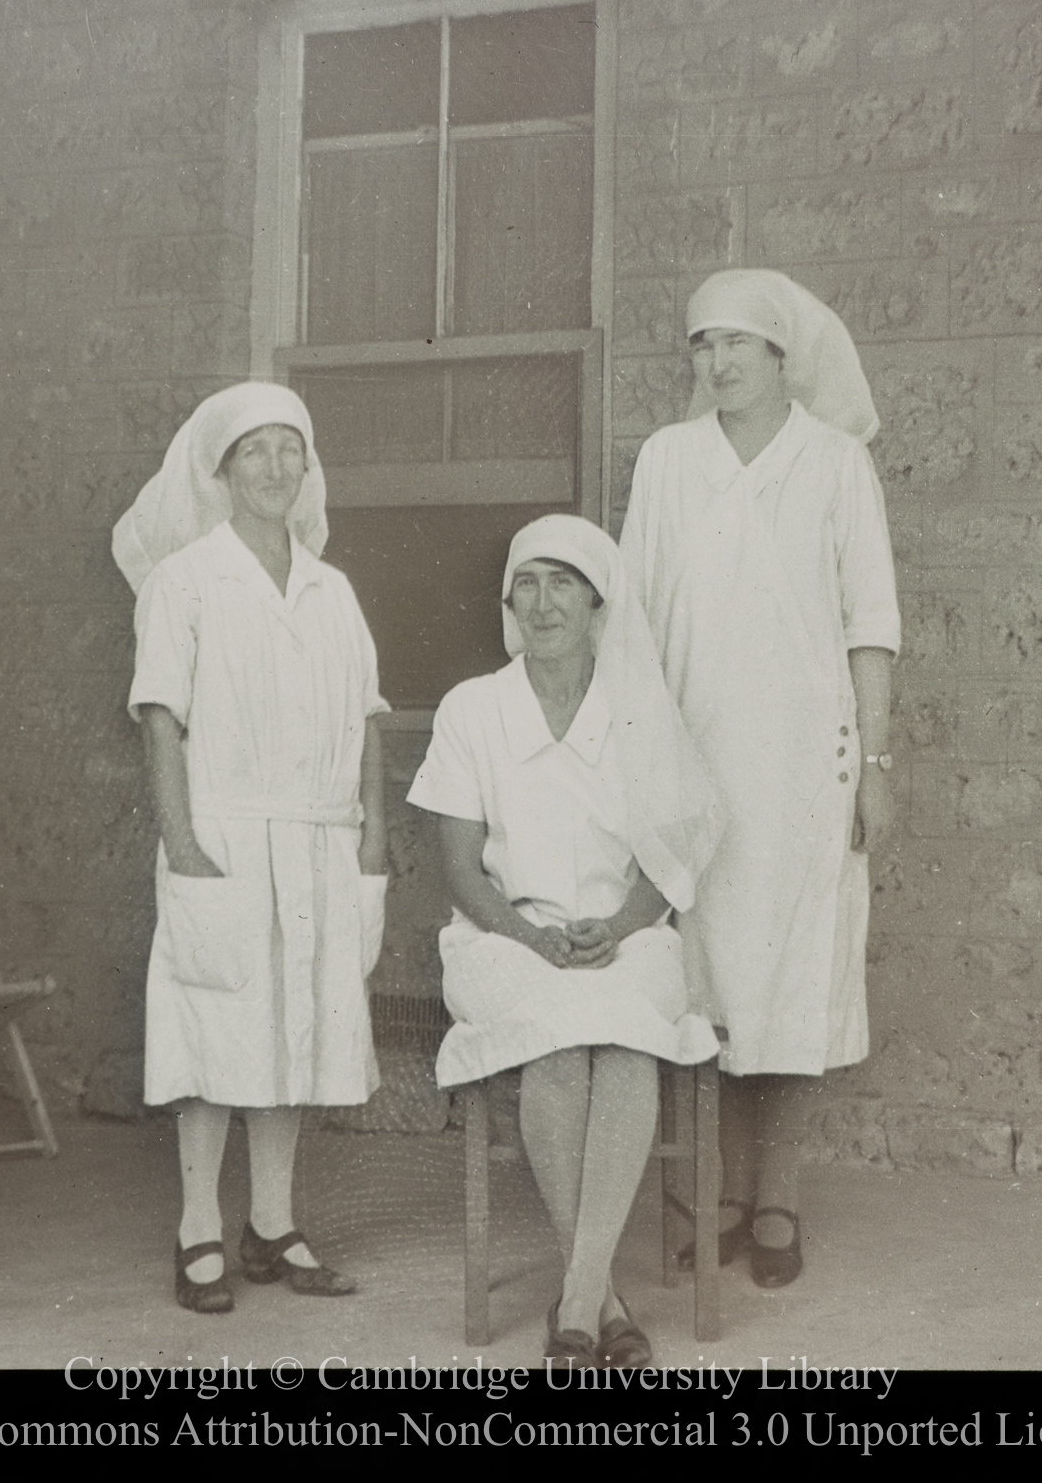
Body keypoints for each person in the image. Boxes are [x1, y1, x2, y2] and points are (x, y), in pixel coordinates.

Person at [618, 269, 900, 1290]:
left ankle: (775, 1197)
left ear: (784, 356)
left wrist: (872, 763)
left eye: (739, 342)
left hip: (801, 773)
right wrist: (641, 765)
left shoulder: (833, 465)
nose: (719, 361)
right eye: (702, 344)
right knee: (703, 987)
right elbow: (634, 622)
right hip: (692, 764)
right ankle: (713, 1197)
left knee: (789, 988)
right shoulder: (664, 461)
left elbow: (870, 625)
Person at [407, 514, 724, 1368]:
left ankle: (578, 1300)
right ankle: (600, 1300)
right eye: (528, 584)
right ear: (509, 602)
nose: (544, 603)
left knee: (622, 1039)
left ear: (595, 603)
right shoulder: (473, 709)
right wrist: (530, 935)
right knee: (554, 1042)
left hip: (625, 936)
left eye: (564, 584)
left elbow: (673, 851)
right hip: (502, 937)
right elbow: (461, 869)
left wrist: (619, 924)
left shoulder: (636, 707)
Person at [114, 381, 389, 1315]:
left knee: (295, 1029)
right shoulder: (185, 580)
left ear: (308, 467)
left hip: (320, 837)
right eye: (253, 452)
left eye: (288, 450)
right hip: (223, 836)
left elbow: (367, 722)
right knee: (216, 1032)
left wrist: (374, 843)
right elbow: (160, 721)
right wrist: (182, 843)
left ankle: (272, 1221)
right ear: (221, 470)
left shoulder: (333, 586)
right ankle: (199, 1226)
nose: (273, 468)